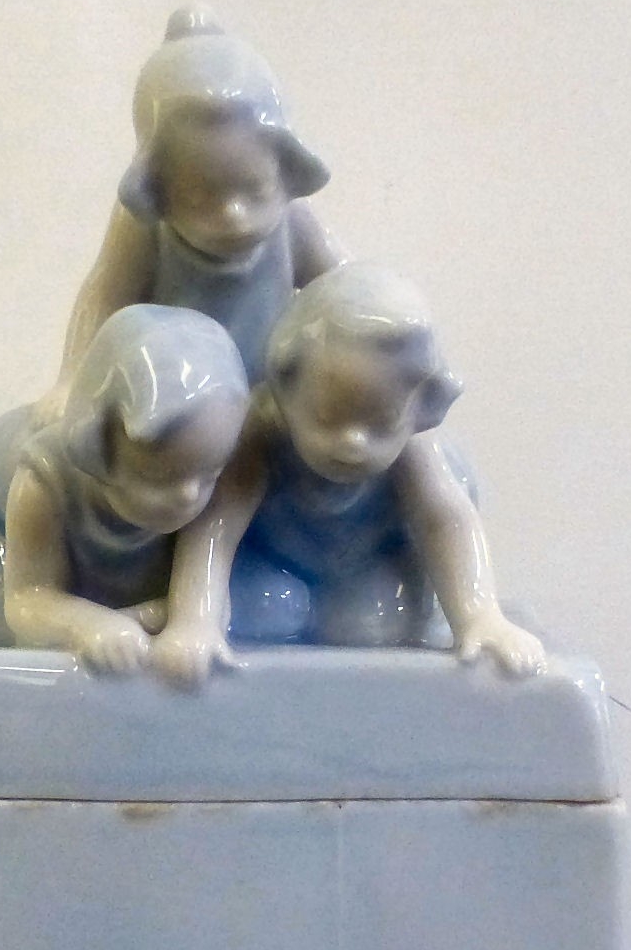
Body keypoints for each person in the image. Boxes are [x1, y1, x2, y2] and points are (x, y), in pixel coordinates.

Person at [153, 263, 547, 685]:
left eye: (383, 424)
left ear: (422, 408)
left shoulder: (415, 445)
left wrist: (480, 617)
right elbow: (218, 519)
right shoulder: (263, 429)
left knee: (372, 627)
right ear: (287, 383)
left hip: (368, 564)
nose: (354, 442)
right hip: (279, 564)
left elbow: (445, 518)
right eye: (327, 417)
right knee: (265, 613)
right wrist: (194, 620)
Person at [34, 7, 345, 423]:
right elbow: (104, 294)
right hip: (183, 408)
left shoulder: (293, 219)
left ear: (285, 167)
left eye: (256, 190)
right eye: (199, 199)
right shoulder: (143, 225)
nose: (235, 216)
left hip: (271, 400)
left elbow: (343, 286)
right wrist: (71, 380)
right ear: (157, 186)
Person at [0, 303, 249, 673]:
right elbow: (24, 600)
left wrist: (191, 619)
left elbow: (207, 597)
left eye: (210, 474)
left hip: (102, 568)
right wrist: (87, 625)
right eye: (157, 476)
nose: (189, 495)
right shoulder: (42, 479)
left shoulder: (199, 476)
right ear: (97, 443)